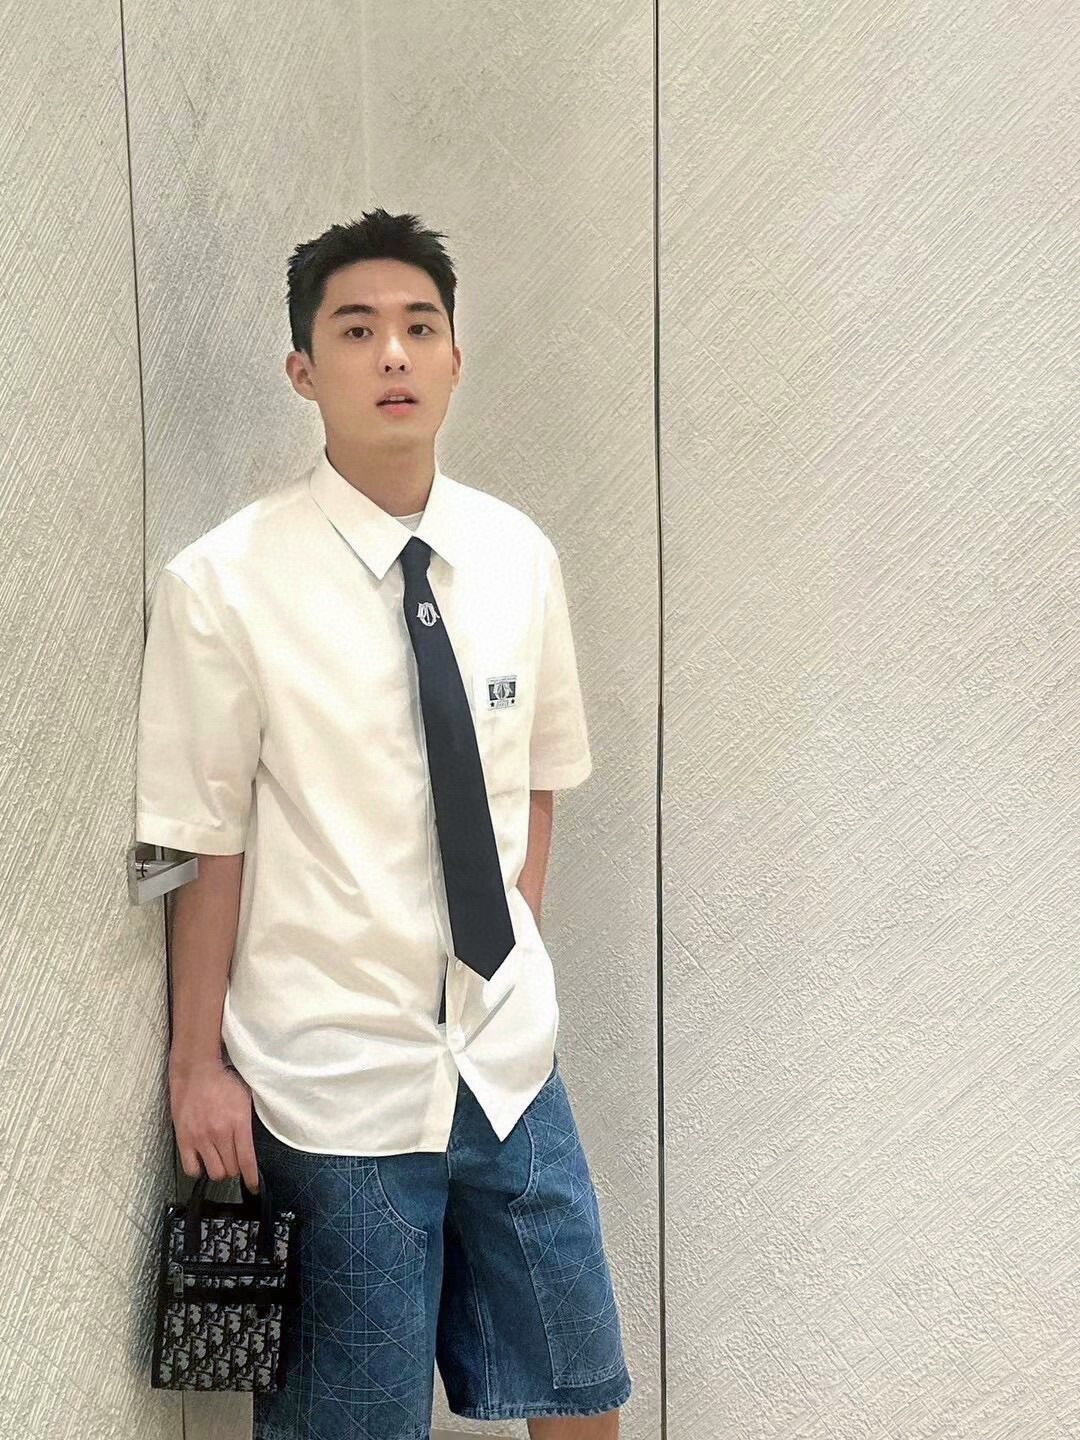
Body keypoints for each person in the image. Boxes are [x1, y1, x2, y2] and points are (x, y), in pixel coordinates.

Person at [136, 208, 631, 1439]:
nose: (394, 353)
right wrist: (198, 1066)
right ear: (304, 370)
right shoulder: (225, 583)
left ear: (457, 358)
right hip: (331, 1084)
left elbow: (536, 784)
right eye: (356, 330)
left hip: (507, 1065)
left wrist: (511, 951)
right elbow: (207, 843)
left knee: (583, 1389)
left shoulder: (517, 556)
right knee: (352, 1425)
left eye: (420, 327)